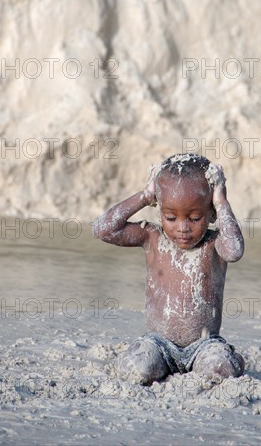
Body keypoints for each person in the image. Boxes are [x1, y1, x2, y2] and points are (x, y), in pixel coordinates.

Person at [93, 153, 245, 385]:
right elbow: (104, 229)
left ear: (211, 213)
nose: (182, 228)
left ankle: (227, 357)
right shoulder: (152, 237)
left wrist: (222, 201)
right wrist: (145, 196)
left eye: (194, 218)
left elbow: (234, 250)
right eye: (171, 217)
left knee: (220, 369)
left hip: (204, 344)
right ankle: (161, 366)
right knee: (137, 369)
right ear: (159, 210)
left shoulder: (214, 244)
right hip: (159, 343)